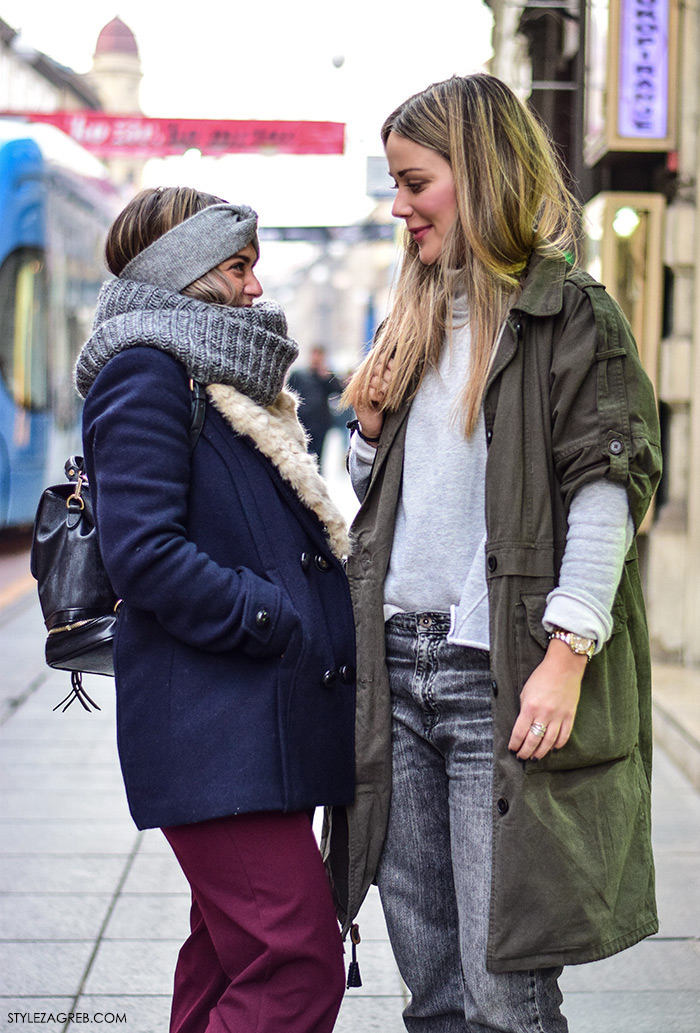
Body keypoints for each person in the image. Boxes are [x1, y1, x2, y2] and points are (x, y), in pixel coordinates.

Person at [323, 74, 662, 1032]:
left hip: (496, 679)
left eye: (415, 182)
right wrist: (369, 430)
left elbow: (608, 489)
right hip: (397, 672)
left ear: (477, 174)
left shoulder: (572, 317)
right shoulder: (416, 317)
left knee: (504, 994)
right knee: (430, 992)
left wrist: (566, 656)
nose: (399, 206)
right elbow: (399, 499)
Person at [75, 187, 356, 1033]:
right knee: (295, 962)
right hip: (216, 727)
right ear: (184, 272)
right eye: (238, 266)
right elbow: (145, 553)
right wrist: (271, 616)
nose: (254, 287)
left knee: (228, 954)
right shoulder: (146, 373)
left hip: (254, 725)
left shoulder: (217, 376)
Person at [287, 344, 343, 460]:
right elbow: (288, 393)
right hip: (302, 421)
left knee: (317, 458)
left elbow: (339, 391)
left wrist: (326, 376)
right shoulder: (299, 374)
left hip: (320, 423)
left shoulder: (326, 375)